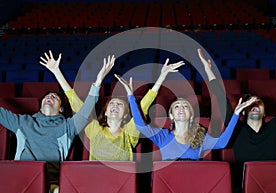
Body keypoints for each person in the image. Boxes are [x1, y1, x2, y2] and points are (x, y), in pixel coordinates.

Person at [115, 48, 257, 160]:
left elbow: (222, 143)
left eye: (185, 106)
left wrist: (236, 114)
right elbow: (140, 125)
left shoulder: (200, 137)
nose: (181, 108)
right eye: (176, 106)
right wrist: (131, 96)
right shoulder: (163, 136)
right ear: (171, 115)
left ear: (191, 115)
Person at [42, 50, 185, 161]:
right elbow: (76, 103)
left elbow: (144, 105)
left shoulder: (130, 133)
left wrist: (162, 76)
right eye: (112, 103)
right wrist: (57, 71)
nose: (115, 105)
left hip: (122, 183)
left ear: (125, 116)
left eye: (120, 105)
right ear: (105, 113)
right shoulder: (94, 130)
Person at [0, 51, 102, 193]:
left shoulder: (68, 126)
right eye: (47, 96)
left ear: (61, 108)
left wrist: (97, 83)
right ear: (40, 104)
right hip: (20, 179)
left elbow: (86, 111)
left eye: (54, 97)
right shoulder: (22, 122)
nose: (50, 97)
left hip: (50, 183)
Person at [223, 93, 276, 193]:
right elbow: (225, 111)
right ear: (244, 111)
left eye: (259, 102)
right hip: (245, 189)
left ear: (265, 113)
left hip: (273, 187)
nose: (255, 105)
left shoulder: (274, 126)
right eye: (250, 103)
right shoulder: (237, 129)